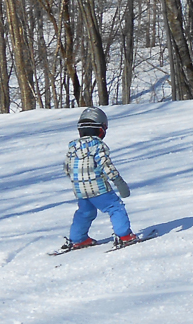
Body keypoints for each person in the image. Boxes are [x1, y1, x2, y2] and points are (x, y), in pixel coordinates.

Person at [57, 106, 139, 250]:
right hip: (98, 188)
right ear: (101, 129)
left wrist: (78, 180)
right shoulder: (98, 146)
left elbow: (67, 168)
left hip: (80, 190)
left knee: (85, 212)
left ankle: (78, 238)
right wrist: (119, 182)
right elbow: (107, 166)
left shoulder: (72, 147)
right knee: (115, 207)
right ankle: (124, 235)